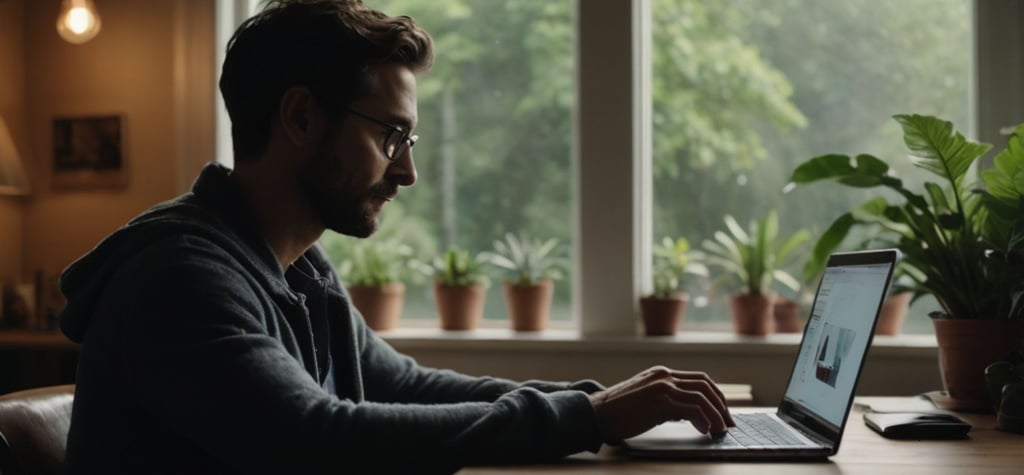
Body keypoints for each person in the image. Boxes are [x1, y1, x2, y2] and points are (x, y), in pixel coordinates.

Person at [57, 1, 734, 473]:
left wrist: (597, 400)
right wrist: (587, 416)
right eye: (391, 136)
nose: (406, 170)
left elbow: (405, 386)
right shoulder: (178, 279)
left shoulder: (297, 267)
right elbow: (312, 439)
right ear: (299, 116)